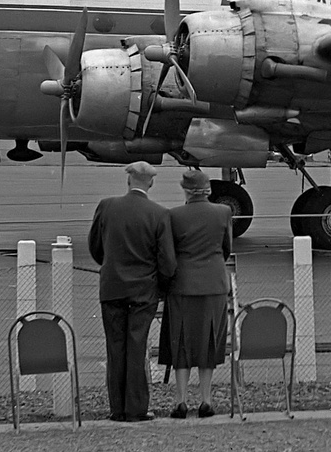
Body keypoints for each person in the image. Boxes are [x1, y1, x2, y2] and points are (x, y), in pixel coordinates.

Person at [88, 161, 176, 422]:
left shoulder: (107, 206)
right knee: (137, 348)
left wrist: (111, 265)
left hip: (112, 286)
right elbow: (168, 262)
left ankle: (117, 408)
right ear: (151, 183)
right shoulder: (160, 214)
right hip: (143, 290)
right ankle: (137, 408)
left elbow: (95, 247)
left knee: (115, 348)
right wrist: (161, 284)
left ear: (129, 181)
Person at [159, 169, 233, 419]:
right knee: (209, 341)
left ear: (185, 189)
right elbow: (226, 248)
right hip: (214, 283)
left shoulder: (173, 215)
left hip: (183, 284)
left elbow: (168, 255)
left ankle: (180, 400)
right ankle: (206, 400)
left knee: (180, 342)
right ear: (208, 189)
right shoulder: (223, 212)